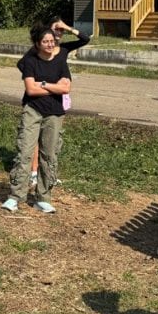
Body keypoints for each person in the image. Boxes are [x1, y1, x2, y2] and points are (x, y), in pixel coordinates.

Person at [1, 24, 71, 214]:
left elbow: (66, 88)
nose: (50, 44)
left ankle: (43, 198)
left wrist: (43, 83)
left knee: (49, 156)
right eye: (45, 41)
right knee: (24, 152)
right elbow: (30, 90)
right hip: (33, 110)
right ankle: (16, 196)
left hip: (54, 113)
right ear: (38, 44)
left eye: (51, 41)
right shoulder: (31, 62)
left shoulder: (60, 61)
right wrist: (52, 86)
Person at [29, 16, 89, 187]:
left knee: (53, 137)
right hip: (41, 93)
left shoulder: (63, 49)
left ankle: (49, 172)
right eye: (57, 29)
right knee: (37, 136)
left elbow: (85, 39)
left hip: (59, 95)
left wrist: (68, 27)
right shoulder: (38, 49)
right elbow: (25, 66)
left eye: (62, 30)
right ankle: (34, 172)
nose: (59, 33)